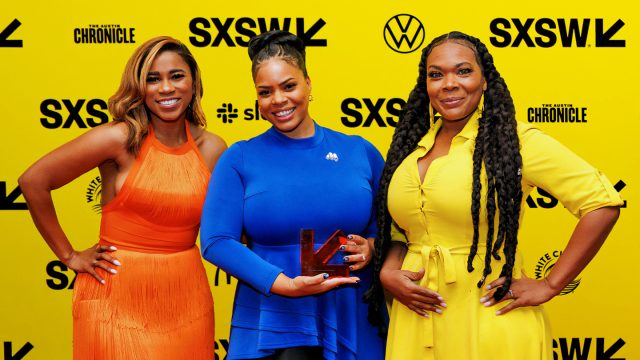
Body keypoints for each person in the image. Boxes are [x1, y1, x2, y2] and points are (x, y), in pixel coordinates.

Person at [365, 31, 623, 359]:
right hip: (416, 319)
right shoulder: (412, 147)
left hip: (489, 316)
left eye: (463, 71)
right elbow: (404, 230)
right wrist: (388, 270)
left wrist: (550, 284)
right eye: (436, 74)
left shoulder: (515, 142)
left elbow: (601, 203)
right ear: (425, 85)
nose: (448, 83)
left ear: (485, 79)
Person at [19, 36, 226, 359]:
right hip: (115, 295)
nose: (166, 88)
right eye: (153, 79)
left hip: (186, 296)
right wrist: (69, 256)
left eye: (176, 76)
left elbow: (228, 226)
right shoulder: (117, 138)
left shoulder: (213, 148)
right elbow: (34, 181)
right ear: (138, 87)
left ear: (194, 82)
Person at [200, 30, 386, 360]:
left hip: (351, 312)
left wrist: (372, 246)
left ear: (308, 84)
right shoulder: (240, 157)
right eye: (265, 92)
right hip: (272, 313)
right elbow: (216, 241)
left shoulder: (359, 151)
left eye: (289, 86)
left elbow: (390, 228)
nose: (279, 100)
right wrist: (283, 284)